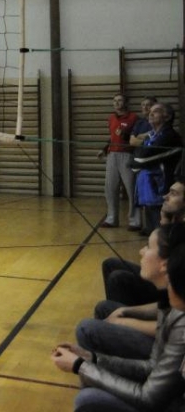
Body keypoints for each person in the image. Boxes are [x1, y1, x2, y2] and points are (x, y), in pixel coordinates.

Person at [52, 223, 185, 412]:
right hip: (166, 395)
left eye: (148, 247)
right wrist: (91, 358)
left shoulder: (181, 321)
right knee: (91, 391)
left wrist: (80, 366)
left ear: (166, 267)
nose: (141, 251)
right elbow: (151, 367)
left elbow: (148, 398)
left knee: (89, 399)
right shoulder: (173, 306)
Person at [77, 179, 185, 362]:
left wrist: (126, 322)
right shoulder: (175, 223)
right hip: (167, 311)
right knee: (105, 301)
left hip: (167, 348)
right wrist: (126, 312)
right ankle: (108, 352)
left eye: (174, 194)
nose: (165, 196)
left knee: (117, 281)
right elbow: (166, 310)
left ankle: (111, 355)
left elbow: (172, 325)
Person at [133, 102, 183, 235]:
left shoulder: (169, 136)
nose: (151, 113)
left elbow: (141, 158)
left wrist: (137, 158)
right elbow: (137, 157)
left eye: (156, 111)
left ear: (167, 117)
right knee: (150, 225)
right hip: (148, 186)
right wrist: (137, 158)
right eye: (150, 111)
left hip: (160, 187)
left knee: (160, 230)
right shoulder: (152, 135)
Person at [96, 94, 139, 229]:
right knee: (110, 188)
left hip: (127, 155)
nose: (116, 103)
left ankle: (134, 221)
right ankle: (111, 219)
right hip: (112, 155)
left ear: (126, 102)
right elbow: (112, 137)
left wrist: (124, 135)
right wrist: (104, 149)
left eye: (120, 100)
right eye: (114, 101)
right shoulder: (111, 118)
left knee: (131, 188)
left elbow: (137, 138)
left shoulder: (134, 118)